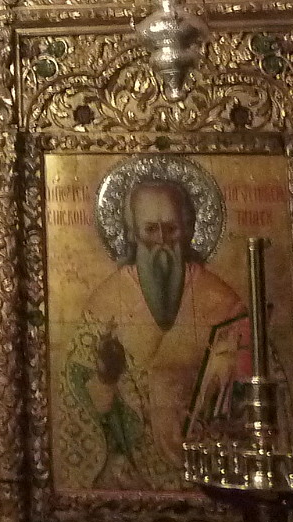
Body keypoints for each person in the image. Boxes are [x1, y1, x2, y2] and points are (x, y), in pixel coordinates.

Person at [79, 179, 249, 488]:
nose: (161, 241)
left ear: (188, 230)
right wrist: (105, 379)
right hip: (130, 470)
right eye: (150, 230)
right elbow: (78, 392)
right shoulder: (104, 303)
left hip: (206, 465)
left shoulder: (223, 304)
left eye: (171, 229)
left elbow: (248, 390)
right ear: (133, 233)